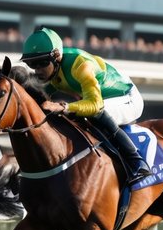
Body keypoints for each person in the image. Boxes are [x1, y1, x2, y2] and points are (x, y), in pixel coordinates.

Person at [20, 26, 152, 186]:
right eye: (32, 64)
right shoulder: (53, 72)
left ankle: (138, 163)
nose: (38, 69)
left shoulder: (80, 65)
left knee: (92, 114)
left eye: (42, 63)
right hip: (101, 99)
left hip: (127, 98)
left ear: (56, 56)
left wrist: (64, 107)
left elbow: (95, 105)